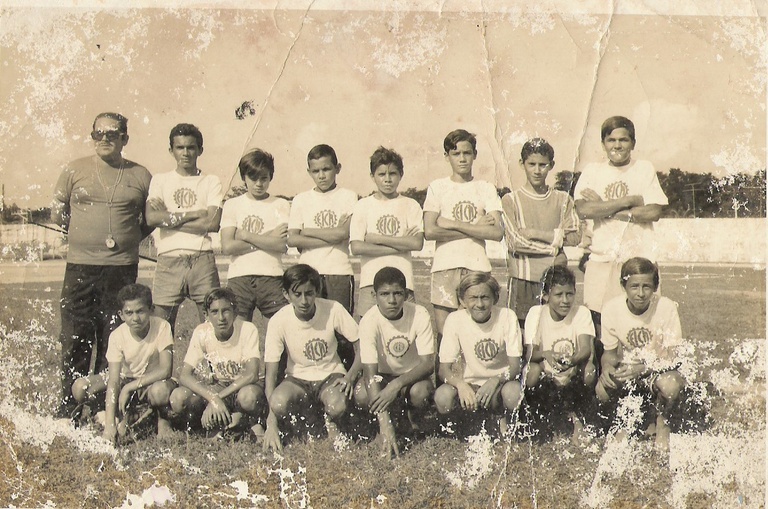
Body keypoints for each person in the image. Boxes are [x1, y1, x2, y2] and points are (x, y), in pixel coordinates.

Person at [52, 112, 154, 417]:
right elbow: (59, 214)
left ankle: (101, 406)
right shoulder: (74, 170)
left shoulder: (140, 174)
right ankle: (70, 405)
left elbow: (148, 221)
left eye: (112, 133)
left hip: (121, 268)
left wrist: (127, 237)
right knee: (76, 336)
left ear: (125, 138)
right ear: (92, 136)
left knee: (114, 336)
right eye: (98, 133)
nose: (105, 139)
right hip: (81, 267)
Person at [574, 116, 668, 317]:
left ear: (633, 143)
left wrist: (603, 206)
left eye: (623, 140)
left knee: (643, 321)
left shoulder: (644, 168)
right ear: (603, 144)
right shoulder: (592, 171)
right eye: (611, 140)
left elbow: (654, 212)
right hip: (601, 258)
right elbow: (584, 210)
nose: (617, 145)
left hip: (639, 259)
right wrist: (628, 201)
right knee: (598, 322)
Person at [262, 264, 360, 452]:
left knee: (337, 405)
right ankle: (308, 418)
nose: (304, 300)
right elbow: (271, 373)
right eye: (297, 294)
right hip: (297, 378)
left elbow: (362, 345)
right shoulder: (278, 320)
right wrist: (271, 423)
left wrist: (350, 376)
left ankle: (331, 420)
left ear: (317, 290)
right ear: (286, 294)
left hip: (330, 375)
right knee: (278, 402)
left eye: (309, 293)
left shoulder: (333, 309)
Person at [596, 257, 684, 452]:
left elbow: (674, 355)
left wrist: (645, 366)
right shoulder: (611, 308)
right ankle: (626, 422)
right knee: (603, 389)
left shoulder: (666, 306)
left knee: (670, 385)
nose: (641, 293)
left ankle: (663, 423)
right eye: (634, 286)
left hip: (658, 370)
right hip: (630, 369)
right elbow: (609, 353)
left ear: (655, 287)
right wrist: (608, 367)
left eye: (647, 286)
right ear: (623, 285)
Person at [423, 129, 503, 342]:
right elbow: (430, 231)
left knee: (474, 334)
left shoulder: (484, 188)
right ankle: (444, 377)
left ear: (475, 154)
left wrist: (450, 224)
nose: (462, 159)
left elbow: (496, 232)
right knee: (444, 336)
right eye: (456, 153)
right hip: (444, 268)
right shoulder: (437, 187)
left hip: (476, 268)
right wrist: (475, 227)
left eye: (467, 153)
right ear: (447, 156)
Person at [70, 284, 174, 444]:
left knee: (160, 391)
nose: (135, 318)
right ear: (121, 315)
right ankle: (110, 415)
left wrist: (129, 387)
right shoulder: (117, 335)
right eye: (129, 313)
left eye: (140, 311)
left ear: (151, 309)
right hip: (125, 380)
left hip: (152, 383)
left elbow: (165, 370)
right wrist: (110, 427)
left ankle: (161, 418)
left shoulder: (162, 326)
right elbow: (113, 380)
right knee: (80, 387)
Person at [145, 123, 223, 332]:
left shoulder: (211, 181)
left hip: (202, 258)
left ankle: (212, 366)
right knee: (160, 329)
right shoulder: (160, 180)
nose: (186, 153)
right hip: (169, 259)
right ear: (171, 150)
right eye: (180, 148)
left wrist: (169, 219)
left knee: (211, 327)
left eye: (191, 147)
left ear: (200, 149)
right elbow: (152, 218)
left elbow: (212, 223)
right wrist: (194, 214)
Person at [287, 144, 358, 367]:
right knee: (309, 327)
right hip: (309, 273)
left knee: (341, 331)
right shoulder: (301, 199)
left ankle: (345, 379)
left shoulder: (348, 196)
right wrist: (330, 235)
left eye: (326, 169)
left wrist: (306, 231)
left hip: (338, 271)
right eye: (316, 171)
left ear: (337, 168)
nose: (321, 175)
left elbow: (343, 234)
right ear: (309, 172)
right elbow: (292, 239)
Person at [355, 267, 435, 458]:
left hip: (410, 377)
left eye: (397, 293)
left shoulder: (419, 313)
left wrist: (397, 385)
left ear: (406, 294)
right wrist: (385, 423)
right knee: (361, 394)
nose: (392, 300)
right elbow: (369, 372)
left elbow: (427, 363)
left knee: (421, 393)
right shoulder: (369, 320)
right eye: (385, 294)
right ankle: (381, 423)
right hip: (381, 376)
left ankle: (412, 418)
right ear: (374, 295)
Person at [502, 138, 581, 329]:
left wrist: (535, 233)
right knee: (521, 335)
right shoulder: (511, 199)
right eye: (532, 164)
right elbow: (514, 242)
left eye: (543, 165)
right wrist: (555, 248)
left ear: (551, 165)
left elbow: (575, 236)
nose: (537, 170)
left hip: (554, 280)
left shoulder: (563, 199)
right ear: (522, 164)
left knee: (553, 332)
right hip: (523, 278)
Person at [169, 288, 266, 438]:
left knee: (249, 397)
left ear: (235, 311)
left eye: (226, 310)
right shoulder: (202, 331)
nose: (221, 317)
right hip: (219, 385)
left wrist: (217, 398)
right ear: (206, 315)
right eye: (214, 312)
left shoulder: (247, 329)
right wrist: (212, 397)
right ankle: (221, 422)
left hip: (244, 387)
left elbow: (252, 374)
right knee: (178, 397)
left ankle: (245, 420)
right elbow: (185, 375)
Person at [433, 273, 522, 435]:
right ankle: (463, 423)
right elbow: (443, 370)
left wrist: (496, 379)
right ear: (462, 301)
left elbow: (515, 367)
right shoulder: (454, 319)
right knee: (442, 396)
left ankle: (503, 418)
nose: (479, 304)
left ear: (495, 298)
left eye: (485, 297)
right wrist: (460, 384)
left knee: (513, 393)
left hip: (500, 383)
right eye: (473, 298)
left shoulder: (507, 316)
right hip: (470, 385)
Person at [349, 147, 424, 319]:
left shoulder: (410, 205)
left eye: (393, 174)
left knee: (405, 334)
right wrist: (401, 243)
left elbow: (417, 243)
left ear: (401, 174)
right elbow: (357, 247)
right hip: (370, 284)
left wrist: (377, 238)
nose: (388, 179)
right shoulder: (363, 205)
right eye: (382, 174)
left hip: (403, 282)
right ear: (372, 176)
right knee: (369, 336)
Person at [523, 265, 594, 441]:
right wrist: (546, 354)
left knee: (589, 370)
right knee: (531, 371)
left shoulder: (581, 312)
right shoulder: (536, 312)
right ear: (545, 296)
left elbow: (585, 348)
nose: (565, 300)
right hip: (545, 372)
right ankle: (539, 417)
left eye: (569, 294)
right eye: (558, 295)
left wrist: (573, 360)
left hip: (571, 370)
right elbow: (529, 354)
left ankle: (580, 418)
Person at [220, 148, 289, 322]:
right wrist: (269, 236)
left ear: (270, 177)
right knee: (238, 332)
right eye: (253, 178)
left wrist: (246, 235)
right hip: (239, 278)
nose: (259, 183)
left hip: (272, 276)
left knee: (280, 330)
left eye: (264, 178)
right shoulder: (232, 204)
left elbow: (282, 245)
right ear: (244, 177)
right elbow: (228, 246)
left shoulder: (280, 204)